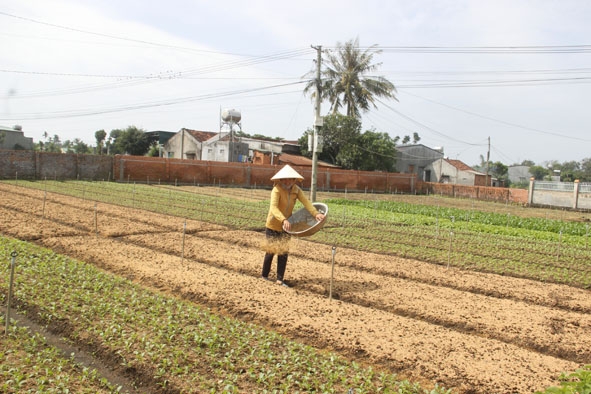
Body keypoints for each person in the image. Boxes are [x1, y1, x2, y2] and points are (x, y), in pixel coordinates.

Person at [261, 165, 325, 287]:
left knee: (284, 252)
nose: (287, 182)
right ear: (280, 180)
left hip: (287, 225)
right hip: (273, 224)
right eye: (285, 179)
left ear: (294, 180)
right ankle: (264, 275)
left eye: (290, 179)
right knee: (271, 251)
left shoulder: (296, 190)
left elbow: (306, 203)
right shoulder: (277, 190)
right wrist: (283, 219)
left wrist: (316, 213)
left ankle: (280, 279)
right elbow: (273, 207)